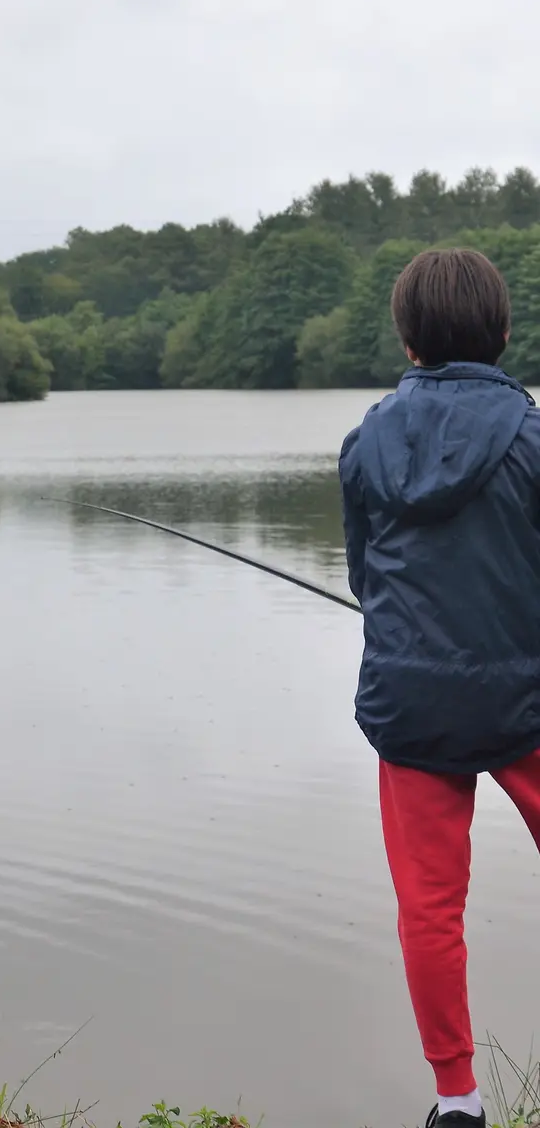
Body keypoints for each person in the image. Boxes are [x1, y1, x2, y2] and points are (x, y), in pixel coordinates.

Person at [339, 247, 540, 1128]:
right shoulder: (533, 437)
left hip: (411, 706)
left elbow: (364, 582)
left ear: (408, 339)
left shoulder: (366, 440)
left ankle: (456, 1100)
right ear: (501, 333)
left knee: (430, 907)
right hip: (527, 702)